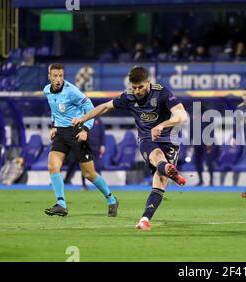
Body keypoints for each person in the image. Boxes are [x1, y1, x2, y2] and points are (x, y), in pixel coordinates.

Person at [72, 66, 187, 231]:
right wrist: (83, 118)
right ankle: (144, 219)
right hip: (147, 139)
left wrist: (162, 125)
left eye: (140, 87)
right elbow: (104, 107)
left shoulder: (162, 92)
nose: (137, 91)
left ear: (148, 82)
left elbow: (182, 115)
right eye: (134, 87)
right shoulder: (128, 97)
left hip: (170, 140)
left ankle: (166, 172)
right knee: (157, 159)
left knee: (160, 181)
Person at [43, 63, 118, 217]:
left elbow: (90, 108)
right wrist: (54, 126)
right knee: (52, 165)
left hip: (76, 132)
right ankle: (61, 204)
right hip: (61, 134)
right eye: (55, 76)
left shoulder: (72, 91)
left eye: (61, 76)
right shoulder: (46, 90)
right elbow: (54, 109)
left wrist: (85, 129)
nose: (58, 79)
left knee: (89, 174)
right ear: (49, 77)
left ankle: (111, 199)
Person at [64, 117, 106, 191]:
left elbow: (102, 133)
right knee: (84, 166)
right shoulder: (82, 119)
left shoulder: (98, 120)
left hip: (96, 146)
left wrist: (102, 145)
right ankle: (83, 184)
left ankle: (100, 185)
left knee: (97, 166)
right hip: (85, 145)